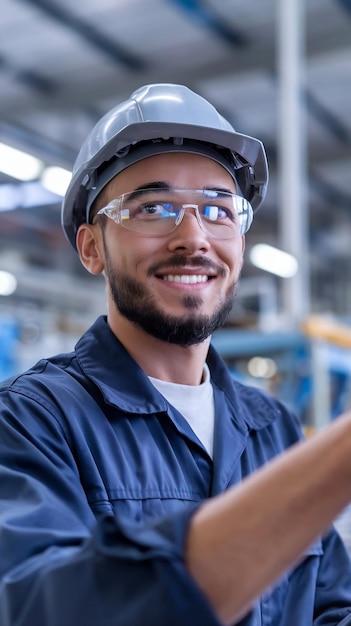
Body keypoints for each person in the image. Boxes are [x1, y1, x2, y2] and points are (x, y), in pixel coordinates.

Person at [0, 83, 351, 626]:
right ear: (93, 247)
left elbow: (331, 607)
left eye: (218, 208)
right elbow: (46, 608)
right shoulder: (31, 422)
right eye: (153, 207)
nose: (194, 237)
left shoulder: (272, 429)